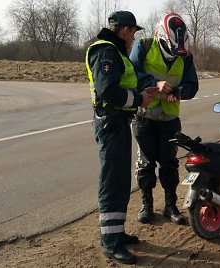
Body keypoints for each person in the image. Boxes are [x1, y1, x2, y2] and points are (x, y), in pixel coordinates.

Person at [85, 10, 157, 265]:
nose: (134, 39)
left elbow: (120, 84)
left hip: (117, 124)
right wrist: (138, 99)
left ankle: (116, 233)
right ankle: (110, 243)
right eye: (134, 33)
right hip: (110, 125)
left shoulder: (115, 52)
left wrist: (139, 91)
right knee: (112, 183)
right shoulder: (106, 51)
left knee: (119, 182)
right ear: (126, 30)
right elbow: (107, 91)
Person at [129, 13, 199, 225]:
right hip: (144, 117)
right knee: (146, 163)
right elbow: (131, 74)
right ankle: (147, 205)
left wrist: (177, 91)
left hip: (169, 119)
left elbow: (192, 86)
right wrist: (155, 82)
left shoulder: (185, 56)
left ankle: (171, 206)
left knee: (169, 163)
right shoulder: (143, 46)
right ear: (161, 37)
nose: (175, 56)